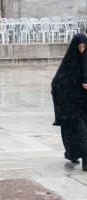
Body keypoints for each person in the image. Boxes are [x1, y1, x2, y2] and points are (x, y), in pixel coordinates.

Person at [51, 34, 87, 171]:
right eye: (79, 47)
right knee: (76, 128)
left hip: (80, 102)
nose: (82, 49)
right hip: (68, 102)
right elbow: (58, 84)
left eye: (84, 46)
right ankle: (76, 155)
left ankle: (74, 154)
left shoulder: (83, 60)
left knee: (78, 128)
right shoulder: (69, 62)